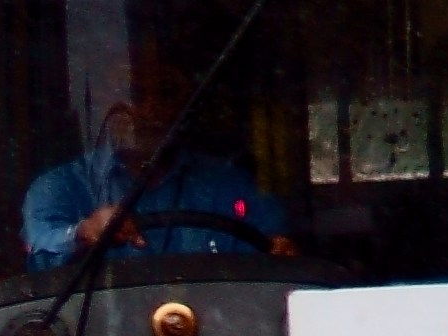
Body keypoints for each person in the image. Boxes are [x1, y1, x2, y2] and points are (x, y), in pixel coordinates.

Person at [21, 54, 285, 267]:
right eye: (135, 94)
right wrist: (83, 233)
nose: (150, 109)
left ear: (185, 103)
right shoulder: (57, 188)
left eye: (166, 93)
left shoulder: (233, 187)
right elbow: (38, 255)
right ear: (105, 101)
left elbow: (274, 264)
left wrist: (281, 253)